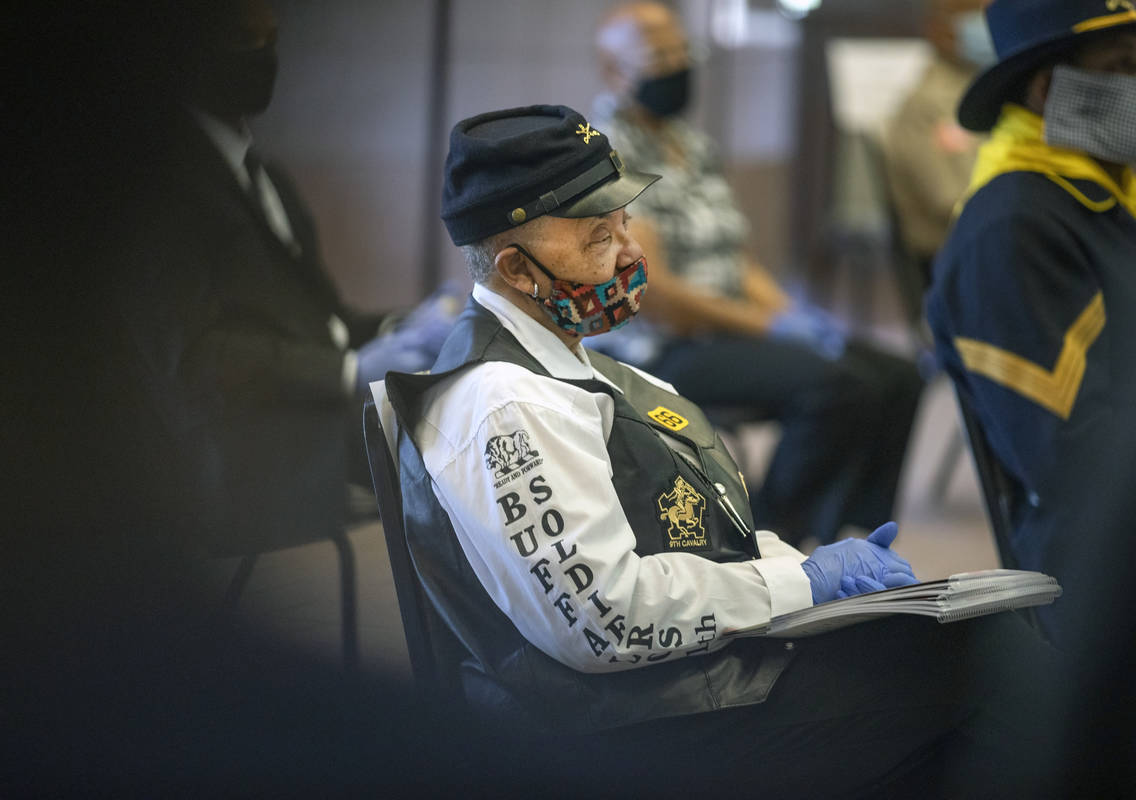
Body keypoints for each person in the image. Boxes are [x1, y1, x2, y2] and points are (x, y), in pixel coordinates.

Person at [383, 103, 1068, 796]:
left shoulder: (579, 367)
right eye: (598, 238)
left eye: (624, 222)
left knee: (972, 647)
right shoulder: (505, 403)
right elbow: (603, 621)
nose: (630, 253)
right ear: (517, 270)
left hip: (681, 684)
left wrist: (809, 570)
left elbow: (690, 538)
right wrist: (805, 582)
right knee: (995, 671)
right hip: (612, 730)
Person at [116, 0, 456, 556]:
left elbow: (321, 316)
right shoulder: (159, 186)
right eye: (245, 38)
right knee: (442, 462)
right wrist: (347, 370)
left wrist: (408, 326)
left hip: (310, 423)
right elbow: (191, 358)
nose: (265, 56)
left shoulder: (264, 172)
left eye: (271, 38)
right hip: (239, 447)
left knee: (461, 418)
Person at [586, 2, 924, 548]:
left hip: (725, 330)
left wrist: (791, 314)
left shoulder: (691, 145)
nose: (675, 65)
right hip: (664, 348)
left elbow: (735, 259)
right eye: (658, 55)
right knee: (837, 386)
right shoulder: (611, 153)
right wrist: (762, 327)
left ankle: (848, 534)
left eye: (680, 51)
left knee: (898, 375)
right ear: (614, 71)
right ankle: (767, 536)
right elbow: (658, 292)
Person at [926, 0, 1136, 652]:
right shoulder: (1013, 229)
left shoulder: (1107, 194)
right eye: (1125, 66)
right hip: (1106, 586)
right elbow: (1078, 468)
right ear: (1049, 90)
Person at [883, 0, 992, 285]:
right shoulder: (928, 103)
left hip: (989, 247)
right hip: (951, 258)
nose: (986, 25)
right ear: (937, 28)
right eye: (973, 17)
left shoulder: (985, 89)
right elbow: (949, 201)